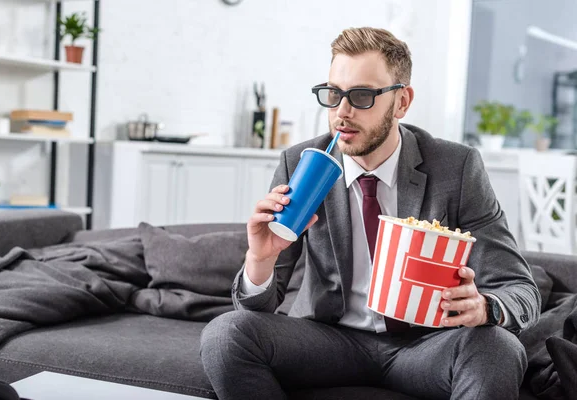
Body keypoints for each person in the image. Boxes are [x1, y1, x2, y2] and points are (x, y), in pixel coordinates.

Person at [200, 27, 541, 400]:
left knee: (498, 349)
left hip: (425, 346)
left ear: (401, 102)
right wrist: (259, 260)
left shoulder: (456, 168)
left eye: (361, 96)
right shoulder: (302, 163)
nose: (341, 112)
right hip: (329, 341)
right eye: (333, 94)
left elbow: (520, 290)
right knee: (226, 334)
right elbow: (256, 307)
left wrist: (485, 307)